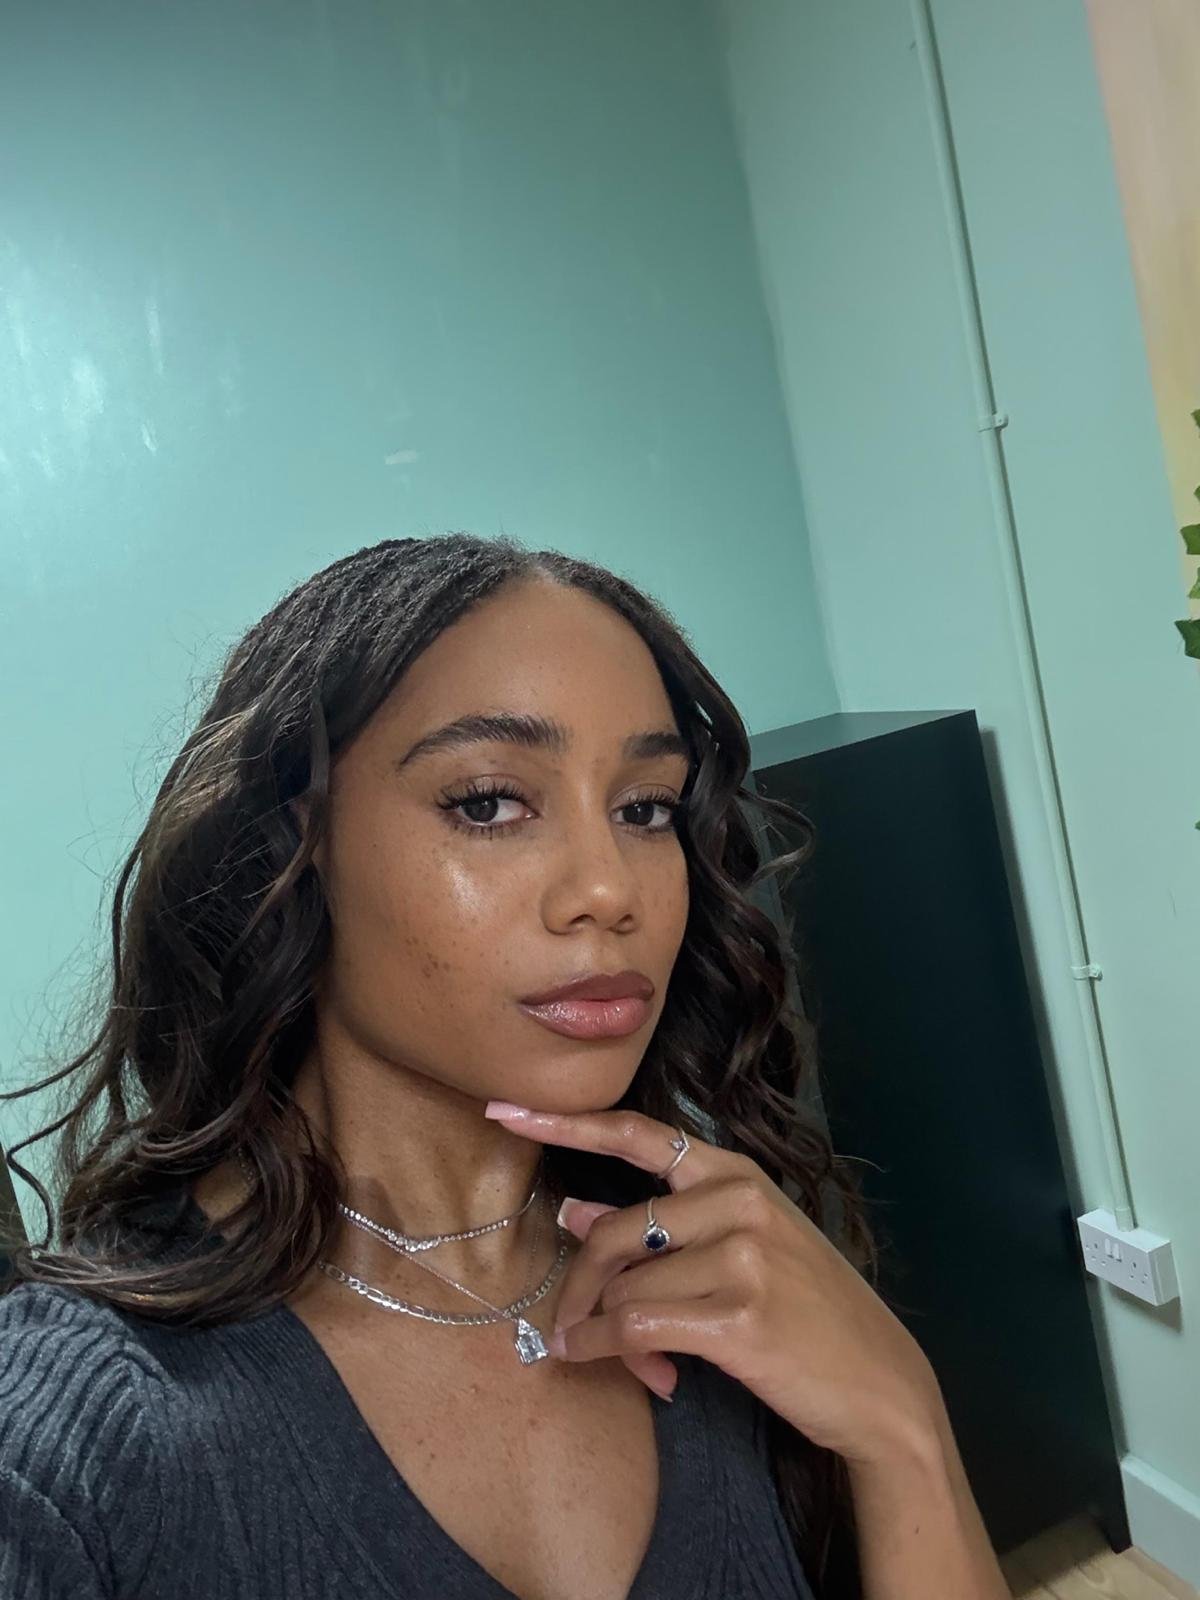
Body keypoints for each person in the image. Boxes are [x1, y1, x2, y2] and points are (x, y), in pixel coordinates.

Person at [0, 534, 1009, 1600]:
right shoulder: (65, 1448)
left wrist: (904, 1428)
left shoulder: (725, 1271)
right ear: (294, 848)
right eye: (489, 802)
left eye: (646, 808)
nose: (608, 889)